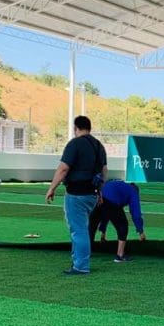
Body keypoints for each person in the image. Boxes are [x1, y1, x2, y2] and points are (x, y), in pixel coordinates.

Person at [46, 116, 108, 275]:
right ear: (89, 127)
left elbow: (63, 169)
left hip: (76, 193)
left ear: (76, 128)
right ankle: (77, 260)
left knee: (78, 230)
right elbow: (104, 171)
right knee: (81, 228)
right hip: (92, 194)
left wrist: (52, 188)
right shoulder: (99, 146)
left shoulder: (75, 144)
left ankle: (81, 265)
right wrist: (100, 191)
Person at [89, 179, 146, 262]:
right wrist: (140, 231)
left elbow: (106, 213)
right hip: (110, 200)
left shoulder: (120, 185)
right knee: (123, 226)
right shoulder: (133, 192)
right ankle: (120, 255)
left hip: (99, 198)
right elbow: (136, 212)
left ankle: (85, 252)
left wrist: (103, 231)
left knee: (91, 226)